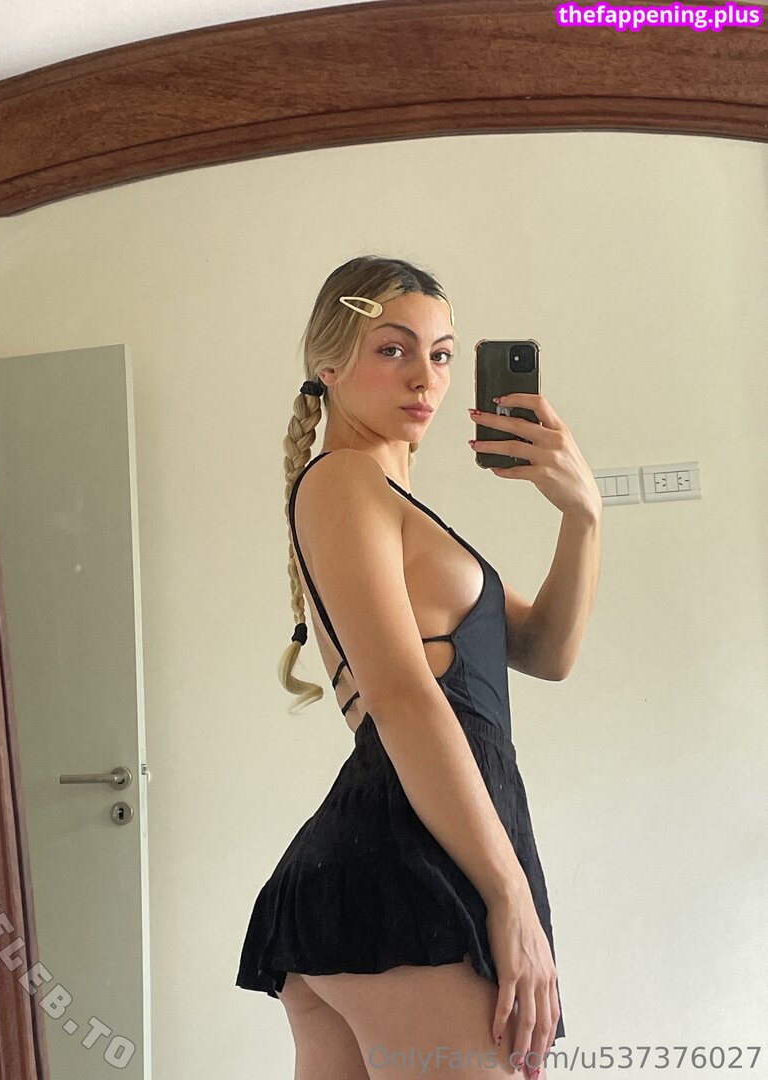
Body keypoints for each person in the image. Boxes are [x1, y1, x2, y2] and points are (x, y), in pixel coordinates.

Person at [236, 255, 602, 1078]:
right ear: (328, 365)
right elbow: (403, 697)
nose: (425, 377)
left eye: (440, 355)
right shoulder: (343, 480)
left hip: (388, 867)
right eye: (393, 349)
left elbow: (548, 652)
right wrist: (509, 896)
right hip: (408, 872)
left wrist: (583, 516)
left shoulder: (390, 503)